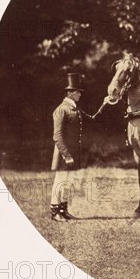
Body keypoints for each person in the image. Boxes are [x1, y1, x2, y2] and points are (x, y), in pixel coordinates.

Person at [50, 73, 88, 222]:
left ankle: (63, 210)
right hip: (63, 154)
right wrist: (66, 155)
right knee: (60, 182)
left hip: (72, 153)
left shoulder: (73, 108)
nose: (79, 94)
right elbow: (57, 136)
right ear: (70, 93)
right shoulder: (61, 109)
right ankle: (54, 212)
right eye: (77, 91)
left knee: (68, 183)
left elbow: (91, 118)